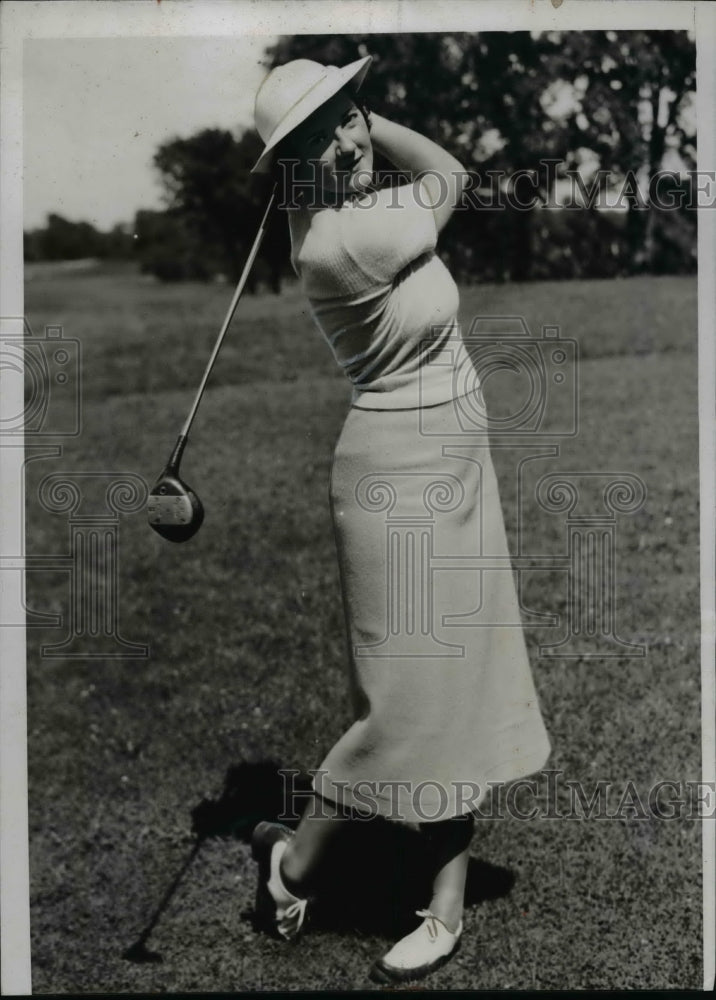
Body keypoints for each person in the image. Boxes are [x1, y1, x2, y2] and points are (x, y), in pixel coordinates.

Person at [248, 54, 551, 985]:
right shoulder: (343, 238)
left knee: (450, 687)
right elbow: (452, 173)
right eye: (318, 140)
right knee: (407, 708)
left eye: (347, 123)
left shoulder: (333, 212)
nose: (344, 146)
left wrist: (334, 117)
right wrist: (367, 120)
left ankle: (442, 906)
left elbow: (405, 175)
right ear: (291, 166)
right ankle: (291, 867)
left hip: (453, 460)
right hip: (401, 479)